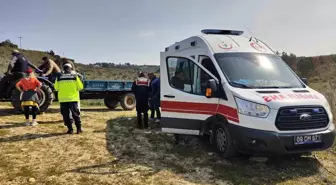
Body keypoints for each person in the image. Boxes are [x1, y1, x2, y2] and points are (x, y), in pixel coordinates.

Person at [55, 63, 84, 134]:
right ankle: (79, 129)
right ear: (70, 69)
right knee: (75, 114)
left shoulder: (59, 77)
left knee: (66, 115)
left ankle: (70, 129)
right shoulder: (74, 77)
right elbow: (80, 87)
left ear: (63, 69)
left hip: (63, 99)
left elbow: (56, 88)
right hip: (73, 99)